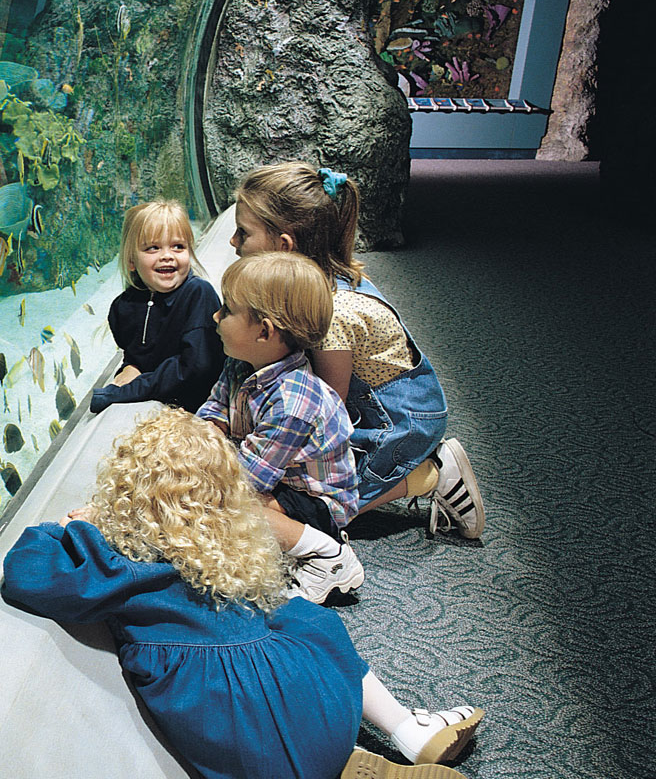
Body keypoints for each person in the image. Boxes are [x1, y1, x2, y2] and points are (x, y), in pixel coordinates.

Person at [2, 407, 483, 779]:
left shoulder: (117, 563)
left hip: (247, 752)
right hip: (326, 711)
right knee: (306, 620)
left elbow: (25, 571)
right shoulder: (229, 556)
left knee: (266, 730)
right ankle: (393, 732)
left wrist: (68, 528)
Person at [231, 162, 485, 538]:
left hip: (396, 423)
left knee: (319, 512)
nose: (233, 243)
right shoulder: (310, 285)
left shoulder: (333, 313)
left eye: (242, 233)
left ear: (283, 245)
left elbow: (329, 407)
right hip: (365, 408)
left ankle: (431, 475)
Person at [198, 252, 364, 604]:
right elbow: (215, 408)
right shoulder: (239, 365)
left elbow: (249, 479)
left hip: (315, 503)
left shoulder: (293, 403)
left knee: (226, 508)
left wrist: (198, 474)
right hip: (275, 480)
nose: (215, 315)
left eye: (226, 310)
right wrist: (210, 430)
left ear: (264, 331)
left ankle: (326, 556)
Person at [90, 199, 224, 414]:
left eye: (178, 246)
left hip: (200, 408)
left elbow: (196, 369)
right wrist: (131, 367)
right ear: (131, 261)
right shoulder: (123, 307)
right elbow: (137, 356)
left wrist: (123, 391)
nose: (167, 256)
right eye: (153, 248)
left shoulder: (199, 294)